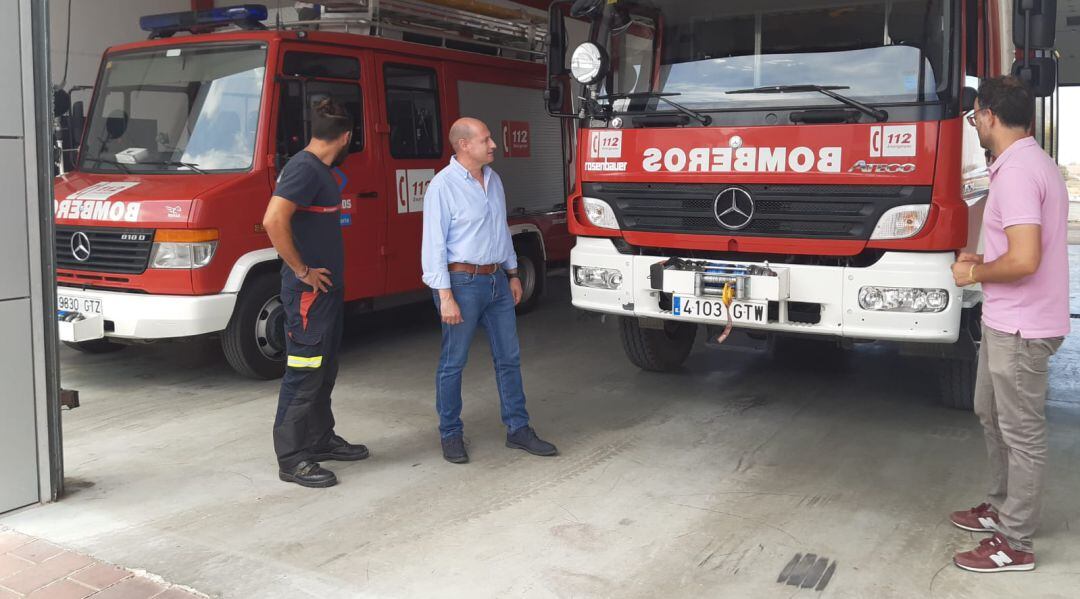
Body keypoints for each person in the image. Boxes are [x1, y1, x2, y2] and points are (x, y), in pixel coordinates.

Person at [949, 76, 1070, 572]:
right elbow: (1016, 248)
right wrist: (985, 254)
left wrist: (974, 271)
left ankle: (1015, 542)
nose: (974, 122)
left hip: (1022, 327)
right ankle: (1000, 508)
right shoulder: (1021, 164)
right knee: (990, 414)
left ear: (990, 115)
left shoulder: (1019, 172)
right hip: (1007, 321)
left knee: (1020, 433)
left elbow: (1023, 260)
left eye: (976, 114)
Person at [421, 117, 558, 464]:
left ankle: (518, 429)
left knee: (508, 358)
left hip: (497, 280)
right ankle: (450, 434)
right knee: (454, 362)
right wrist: (445, 296)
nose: (493, 144)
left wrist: (513, 273)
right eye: (486, 139)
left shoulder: (494, 180)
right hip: (461, 284)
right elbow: (433, 246)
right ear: (464, 145)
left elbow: (501, 232)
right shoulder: (443, 186)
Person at [262, 99, 369, 488]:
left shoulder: (318, 169)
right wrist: (301, 270)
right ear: (345, 137)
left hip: (325, 293)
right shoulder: (304, 169)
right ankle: (292, 459)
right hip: (308, 294)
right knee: (304, 373)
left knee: (324, 369)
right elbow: (273, 219)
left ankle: (320, 438)